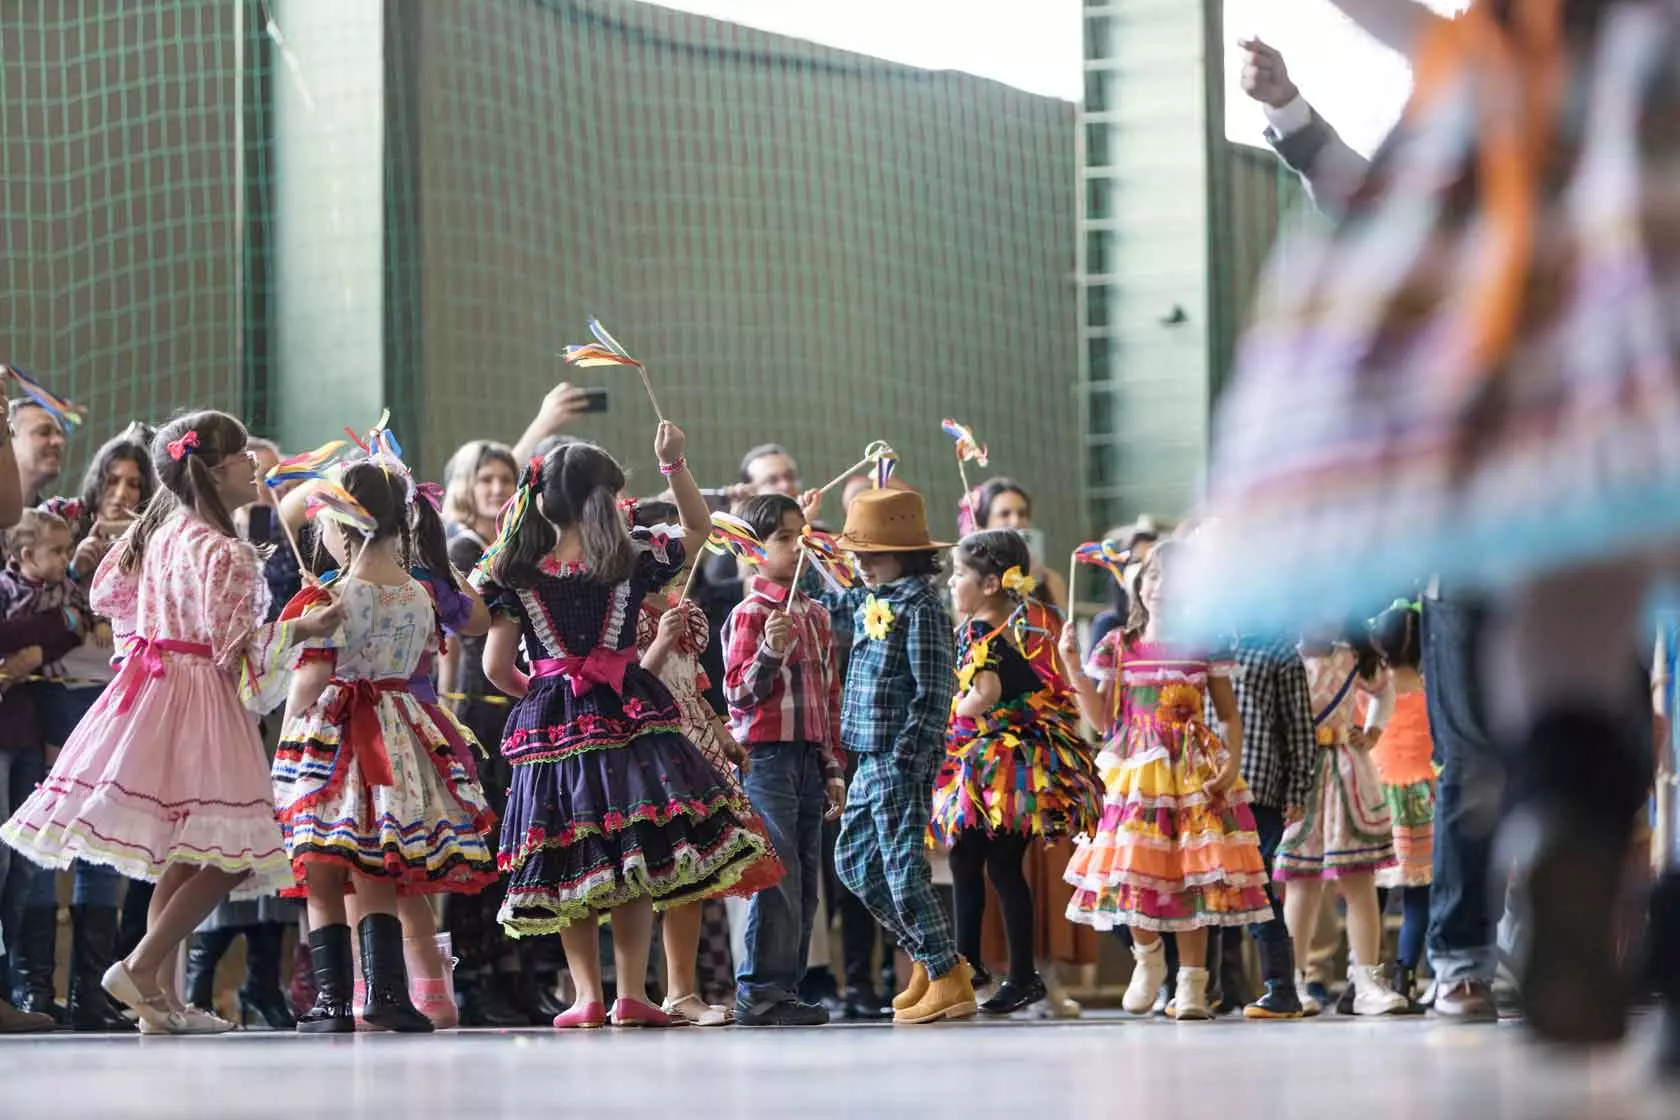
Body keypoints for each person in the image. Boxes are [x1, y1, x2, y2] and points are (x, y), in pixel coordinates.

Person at [1233, 32, 1505, 1027]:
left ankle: (1551, 936)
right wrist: (1288, 104)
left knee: (1571, 750)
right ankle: (1462, 956)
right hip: (1465, 549)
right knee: (1473, 756)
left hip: (1576, 540)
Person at [0, 411, 341, 1034]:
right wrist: (303, 627)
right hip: (199, 698)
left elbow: (109, 596)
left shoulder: (161, 535)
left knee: (186, 853)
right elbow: (234, 647)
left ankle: (156, 996)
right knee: (232, 854)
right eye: (244, 458)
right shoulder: (226, 551)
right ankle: (140, 964)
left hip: (155, 690)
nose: (254, 467)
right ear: (215, 471)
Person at [474, 429, 769, 1029]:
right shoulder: (631, 558)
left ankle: (586, 996)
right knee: (634, 852)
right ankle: (632, 993)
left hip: (554, 727)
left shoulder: (515, 570)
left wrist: (545, 694)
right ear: (604, 498)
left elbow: (495, 668)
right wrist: (673, 463)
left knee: (570, 852)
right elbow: (699, 527)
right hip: (630, 714)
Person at [271, 454, 499, 1034]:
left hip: (336, 738)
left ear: (341, 523)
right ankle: (387, 993)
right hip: (400, 734)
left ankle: (331, 1002)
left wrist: (286, 717)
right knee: (376, 867)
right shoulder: (419, 593)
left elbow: (312, 680)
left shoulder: (332, 598)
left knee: (324, 869)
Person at [1059, 542, 1271, 1020]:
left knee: (1192, 874)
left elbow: (1228, 714)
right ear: (1140, 583)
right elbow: (1102, 720)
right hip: (1138, 772)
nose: (1161, 587)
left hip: (1193, 772)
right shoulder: (1119, 645)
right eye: (1153, 575)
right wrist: (1072, 666)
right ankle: (1148, 958)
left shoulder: (1203, 643)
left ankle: (1193, 983)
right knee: (1134, 866)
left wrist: (1232, 763)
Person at [804, 485, 975, 1025]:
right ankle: (934, 956)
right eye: (859, 555)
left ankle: (948, 976)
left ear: (906, 554)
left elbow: (935, 689)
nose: (863, 564)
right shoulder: (871, 599)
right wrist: (807, 540)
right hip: (867, 755)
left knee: (903, 868)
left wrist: (907, 757)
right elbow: (826, 596)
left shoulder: (921, 607)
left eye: (873, 555)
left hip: (898, 758)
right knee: (854, 863)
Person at [932, 529, 1101, 1015]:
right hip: (1020, 761)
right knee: (975, 859)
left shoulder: (979, 632)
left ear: (990, 584)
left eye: (959, 574)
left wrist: (953, 709)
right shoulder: (1028, 624)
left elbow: (984, 694)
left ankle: (1014, 973)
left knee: (993, 863)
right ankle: (976, 965)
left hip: (1007, 767)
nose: (951, 583)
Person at [629, 496, 783, 1026]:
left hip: (697, 746)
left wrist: (725, 736)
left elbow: (694, 684)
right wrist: (659, 640)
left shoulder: (687, 613)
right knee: (653, 875)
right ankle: (635, 991)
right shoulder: (626, 617)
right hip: (652, 746)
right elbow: (636, 682)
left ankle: (680, 989)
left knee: (692, 875)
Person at [721, 492, 844, 1027]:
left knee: (806, 879)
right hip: (765, 759)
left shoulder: (815, 615)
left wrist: (832, 767)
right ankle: (759, 990)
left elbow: (828, 700)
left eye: (801, 536)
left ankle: (786, 988)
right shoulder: (751, 614)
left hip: (808, 759)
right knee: (778, 874)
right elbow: (737, 695)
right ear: (753, 550)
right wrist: (769, 653)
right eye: (783, 538)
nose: (797, 548)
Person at [435, 438, 535, 1026]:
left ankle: (514, 974)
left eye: (505, 479)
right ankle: (474, 977)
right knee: (481, 848)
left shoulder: (512, 542)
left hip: (513, 704)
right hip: (476, 707)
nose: (496, 488)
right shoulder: (463, 546)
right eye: (485, 479)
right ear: (465, 486)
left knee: (515, 847)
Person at [1275, 627, 1409, 1016]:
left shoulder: (1352, 656)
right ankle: (1293, 981)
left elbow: (1384, 691)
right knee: (1301, 883)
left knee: (1359, 880)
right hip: (1301, 777)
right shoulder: (1286, 656)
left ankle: (1366, 980)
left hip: (1347, 774)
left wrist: (1373, 731)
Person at [1228, 628, 1318, 1019]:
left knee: (1257, 885)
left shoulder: (1277, 647)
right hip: (1204, 784)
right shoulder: (1203, 642)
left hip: (1257, 784)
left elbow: (1299, 727)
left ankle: (1282, 988)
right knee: (1207, 884)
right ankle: (1206, 986)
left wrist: (1297, 791)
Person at [1369, 602, 1435, 1012]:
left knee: (1370, 895)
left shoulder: (1372, 694)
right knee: (1417, 897)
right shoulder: (1432, 695)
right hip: (1421, 803)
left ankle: (1365, 974)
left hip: (1375, 802)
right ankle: (1405, 974)